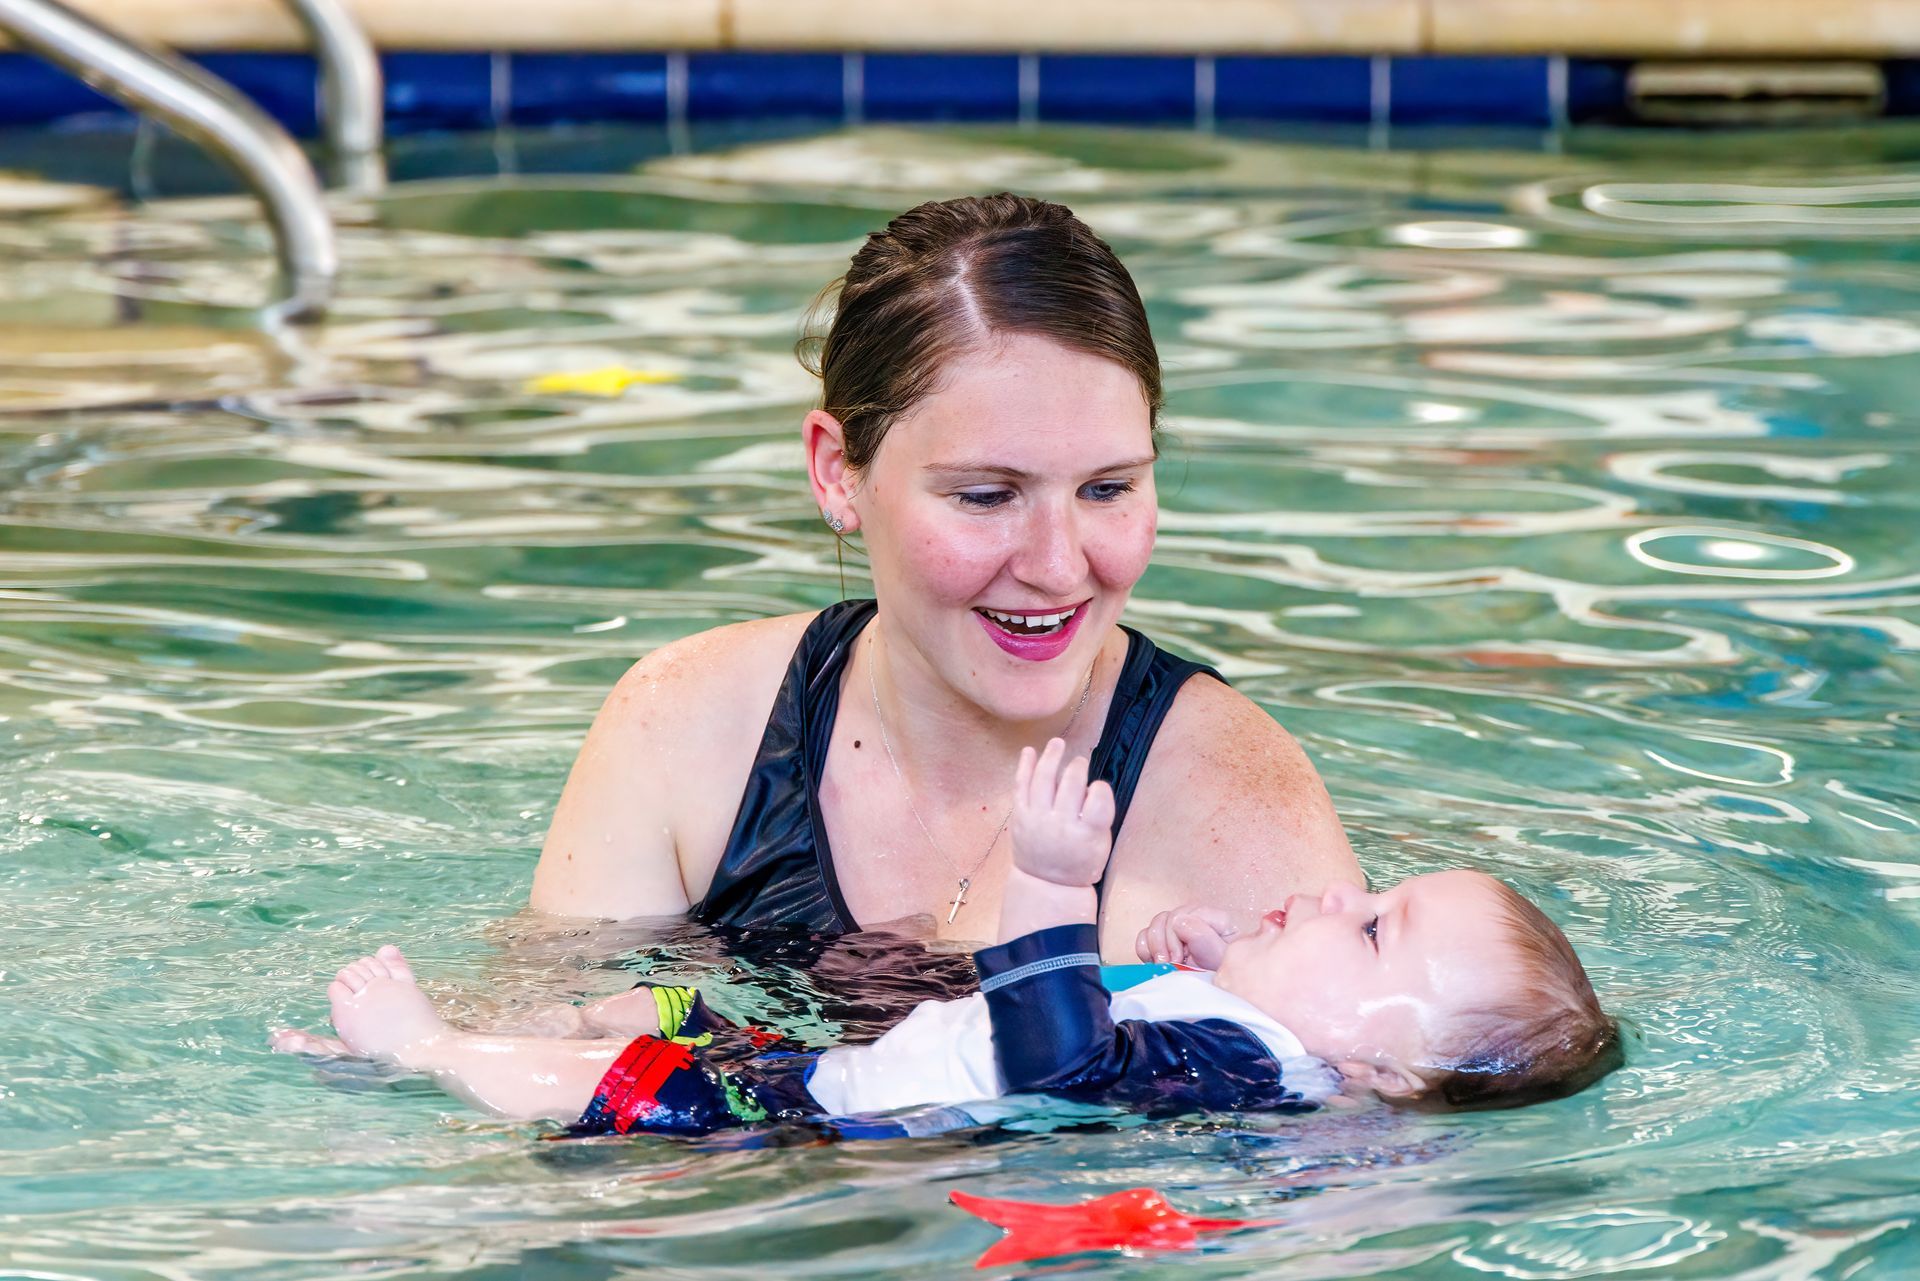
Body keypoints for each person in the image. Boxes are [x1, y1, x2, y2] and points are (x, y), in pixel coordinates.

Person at [527, 193, 1360, 960]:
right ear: (835, 471)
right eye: (987, 495)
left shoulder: (1239, 812)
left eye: (1106, 488)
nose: (1058, 565)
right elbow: (544, 1052)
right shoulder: (687, 731)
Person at [273, 741, 1619, 1132]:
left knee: (621, 1085)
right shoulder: (1269, 1054)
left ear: (1384, 1068)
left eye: (1374, 929)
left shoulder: (1258, 1077)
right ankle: (433, 1043)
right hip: (854, 1065)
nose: (1336, 894)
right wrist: (1210, 958)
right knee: (633, 1020)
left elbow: (1061, 1057)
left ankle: (432, 1052)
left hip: (825, 1122)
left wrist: (1049, 884)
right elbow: (1145, 1026)